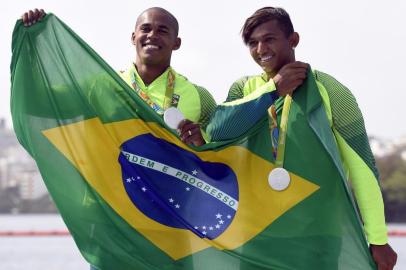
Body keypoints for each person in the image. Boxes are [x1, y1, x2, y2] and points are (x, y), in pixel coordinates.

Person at [207, 7, 397, 270]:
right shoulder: (243, 90)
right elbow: (219, 130)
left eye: (269, 39)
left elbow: (363, 168)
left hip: (318, 238)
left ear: (293, 40)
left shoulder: (331, 91)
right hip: (256, 237)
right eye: (253, 42)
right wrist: (273, 89)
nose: (261, 48)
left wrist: (378, 238)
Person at [22, 8, 217, 147]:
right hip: (110, 202)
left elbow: (223, 154)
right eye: (146, 29)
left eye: (162, 31)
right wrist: (31, 47)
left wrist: (201, 143)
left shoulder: (200, 97)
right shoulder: (101, 85)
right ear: (133, 37)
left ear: (177, 43)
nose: (152, 35)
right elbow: (41, 103)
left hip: (168, 203)